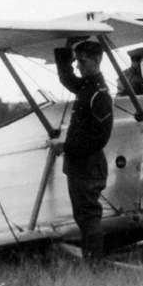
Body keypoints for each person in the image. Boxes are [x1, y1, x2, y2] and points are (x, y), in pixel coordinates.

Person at [54, 38, 114, 264]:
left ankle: (94, 267)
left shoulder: (100, 95)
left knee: (88, 217)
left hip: (88, 167)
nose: (78, 65)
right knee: (84, 217)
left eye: (82, 60)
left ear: (96, 60)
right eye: (77, 60)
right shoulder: (86, 88)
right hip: (80, 167)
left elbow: (100, 139)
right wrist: (66, 49)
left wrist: (65, 146)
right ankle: (92, 264)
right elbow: (65, 77)